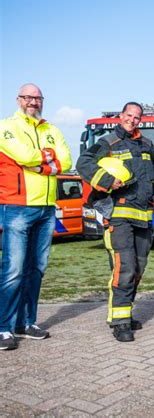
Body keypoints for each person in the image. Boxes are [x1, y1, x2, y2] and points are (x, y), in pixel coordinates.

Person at [77, 102, 154, 342]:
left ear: (140, 121)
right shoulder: (108, 142)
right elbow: (83, 163)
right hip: (119, 217)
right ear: (121, 116)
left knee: (138, 269)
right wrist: (106, 181)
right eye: (129, 115)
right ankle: (120, 321)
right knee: (124, 268)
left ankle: (123, 311)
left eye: (137, 117)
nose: (132, 120)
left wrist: (151, 188)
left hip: (144, 217)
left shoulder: (147, 144)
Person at [0, 83, 72, 351]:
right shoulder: (6, 127)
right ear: (19, 99)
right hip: (17, 206)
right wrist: (47, 162)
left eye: (38, 98)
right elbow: (22, 154)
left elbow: (65, 160)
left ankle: (25, 323)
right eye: (28, 97)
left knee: (36, 269)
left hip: (46, 208)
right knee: (13, 269)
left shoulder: (52, 129)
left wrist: (40, 163)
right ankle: (3, 327)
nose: (33, 101)